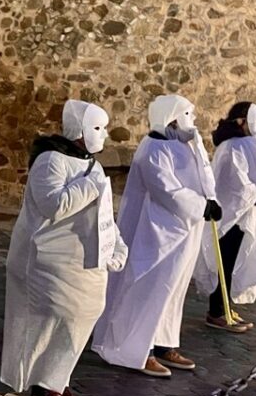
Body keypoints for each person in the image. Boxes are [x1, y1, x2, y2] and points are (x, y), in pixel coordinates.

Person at [1, 100, 129, 396]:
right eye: (96, 127)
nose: (103, 135)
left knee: (85, 312)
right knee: (59, 314)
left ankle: (56, 380)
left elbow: (103, 215)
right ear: (79, 130)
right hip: (47, 259)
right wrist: (90, 185)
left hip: (84, 260)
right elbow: (54, 205)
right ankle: (43, 386)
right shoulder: (50, 161)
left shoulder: (94, 167)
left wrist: (116, 244)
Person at [92, 94, 220, 378]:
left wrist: (210, 200)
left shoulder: (187, 145)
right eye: (189, 115)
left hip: (185, 232)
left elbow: (204, 176)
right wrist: (201, 205)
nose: (194, 121)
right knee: (149, 288)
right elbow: (166, 190)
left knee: (173, 291)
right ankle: (137, 349)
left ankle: (164, 343)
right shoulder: (153, 148)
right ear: (172, 118)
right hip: (157, 233)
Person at [193, 102, 256, 332]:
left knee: (233, 263)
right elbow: (236, 184)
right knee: (224, 263)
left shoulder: (249, 144)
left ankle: (225, 307)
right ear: (241, 121)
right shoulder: (231, 147)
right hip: (231, 216)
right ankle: (217, 312)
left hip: (245, 216)